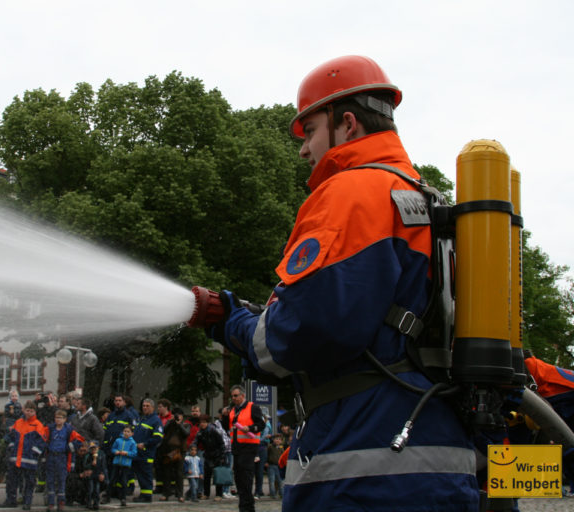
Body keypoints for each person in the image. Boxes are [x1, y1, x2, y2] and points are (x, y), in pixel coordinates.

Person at [200, 55, 480, 511]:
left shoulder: (352, 193)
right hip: (438, 456)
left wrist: (226, 319)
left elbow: (297, 335)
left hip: (362, 470)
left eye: (309, 131)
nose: (303, 150)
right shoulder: (422, 199)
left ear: (347, 124)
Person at [223, 385, 264, 512]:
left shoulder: (253, 407)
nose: (233, 398)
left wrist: (250, 428)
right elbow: (227, 427)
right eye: (232, 396)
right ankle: (244, 505)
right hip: (236, 447)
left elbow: (261, 424)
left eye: (236, 396)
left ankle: (248, 507)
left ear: (242, 395)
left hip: (249, 446)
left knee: (246, 477)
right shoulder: (233, 410)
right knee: (239, 477)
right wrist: (224, 416)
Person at [1, 401, 49, 510]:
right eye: (27, 410)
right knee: (11, 480)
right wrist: (11, 447)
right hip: (15, 458)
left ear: (35, 412)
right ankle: (11, 499)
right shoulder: (18, 422)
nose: (29, 413)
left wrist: (34, 452)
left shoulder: (38, 424)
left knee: (29, 482)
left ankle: (27, 502)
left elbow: (42, 441)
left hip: (29, 459)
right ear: (23, 410)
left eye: (31, 411)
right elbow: (11, 436)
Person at [45, 409, 84, 511]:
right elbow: (43, 438)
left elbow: (79, 440)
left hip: (62, 457)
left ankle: (61, 502)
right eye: (56, 418)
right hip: (51, 457)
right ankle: (50, 503)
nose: (58, 420)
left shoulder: (69, 429)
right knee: (50, 481)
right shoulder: (50, 429)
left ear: (65, 419)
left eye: (60, 418)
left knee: (61, 481)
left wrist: (69, 448)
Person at [131, 398, 162, 503]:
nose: (145, 408)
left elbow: (158, 437)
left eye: (147, 406)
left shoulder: (155, 420)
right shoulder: (142, 419)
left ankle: (147, 496)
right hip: (138, 452)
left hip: (146, 452)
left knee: (146, 474)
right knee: (140, 474)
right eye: (144, 405)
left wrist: (145, 444)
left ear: (153, 407)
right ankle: (143, 494)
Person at [156, 407, 189, 502]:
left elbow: (186, 433)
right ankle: (166, 493)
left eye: (179, 415)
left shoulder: (185, 425)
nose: (177, 417)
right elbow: (163, 430)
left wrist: (179, 425)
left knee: (179, 473)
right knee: (167, 473)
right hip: (169, 450)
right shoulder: (170, 424)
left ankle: (180, 494)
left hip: (179, 451)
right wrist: (170, 422)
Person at [195, 414, 225, 501]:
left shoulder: (214, 431)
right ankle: (206, 493)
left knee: (217, 476)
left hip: (217, 455)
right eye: (201, 422)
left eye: (204, 422)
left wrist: (221, 456)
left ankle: (219, 494)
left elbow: (221, 444)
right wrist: (193, 448)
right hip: (208, 455)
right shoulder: (200, 432)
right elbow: (196, 442)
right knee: (207, 476)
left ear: (207, 423)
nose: (202, 424)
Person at [109, 425, 137, 507]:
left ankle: (123, 498)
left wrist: (127, 453)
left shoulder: (132, 442)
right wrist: (116, 452)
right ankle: (107, 496)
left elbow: (134, 453)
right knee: (112, 480)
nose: (126, 433)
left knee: (124, 481)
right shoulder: (118, 440)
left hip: (126, 464)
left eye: (128, 432)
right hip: (116, 462)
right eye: (125, 431)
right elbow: (113, 449)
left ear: (132, 433)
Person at [82, 441, 107, 510]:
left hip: (97, 474)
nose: (93, 451)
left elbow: (103, 466)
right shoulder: (88, 456)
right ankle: (89, 502)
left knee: (97, 489)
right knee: (90, 489)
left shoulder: (101, 455)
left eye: (95, 449)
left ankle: (96, 503)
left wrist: (102, 473)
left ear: (98, 448)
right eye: (92, 449)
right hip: (91, 475)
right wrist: (90, 465)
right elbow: (84, 465)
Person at [266, 434, 284, 499]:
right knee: (271, 480)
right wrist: (266, 462)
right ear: (273, 440)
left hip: (279, 466)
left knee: (280, 481)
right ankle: (272, 494)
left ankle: (282, 493)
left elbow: (283, 456)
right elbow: (267, 454)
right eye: (276, 439)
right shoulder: (270, 447)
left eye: (279, 439)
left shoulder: (281, 448)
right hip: (271, 465)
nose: (277, 440)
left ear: (281, 441)